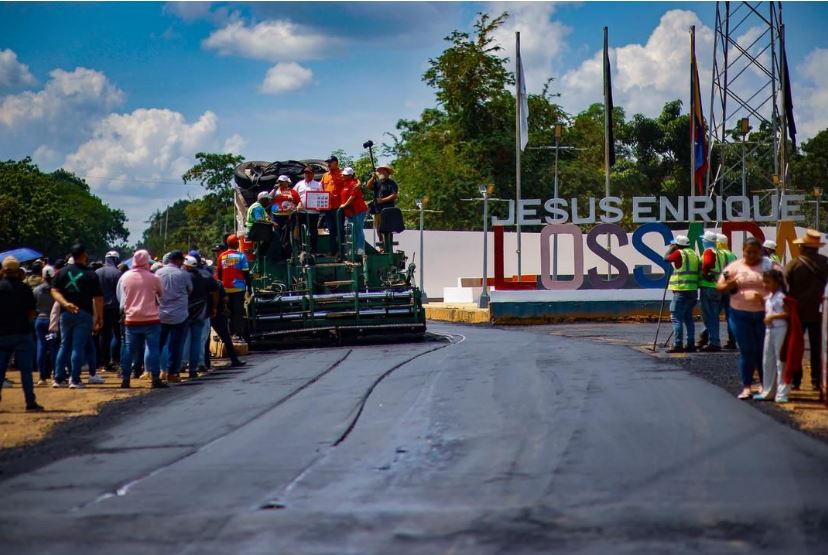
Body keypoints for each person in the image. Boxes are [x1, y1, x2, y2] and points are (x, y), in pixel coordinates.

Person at [717, 237, 781, 399]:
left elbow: (783, 284)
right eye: (748, 252)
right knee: (746, 351)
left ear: (760, 251)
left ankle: (764, 385)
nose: (751, 256)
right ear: (743, 252)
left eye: (755, 252)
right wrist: (729, 285)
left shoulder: (769, 266)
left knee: (762, 350)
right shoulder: (735, 267)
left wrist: (768, 296)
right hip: (739, 314)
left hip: (764, 314)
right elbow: (719, 286)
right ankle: (747, 386)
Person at [52, 244, 103, 388]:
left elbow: (54, 291)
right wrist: (100, 318)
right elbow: (98, 299)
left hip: (66, 313)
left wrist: (65, 303)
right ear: (84, 255)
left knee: (64, 346)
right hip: (84, 313)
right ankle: (74, 379)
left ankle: (58, 378)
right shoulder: (90, 274)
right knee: (78, 347)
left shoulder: (61, 273)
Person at [784, 229, 828, 392]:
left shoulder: (794, 264)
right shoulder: (825, 263)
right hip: (820, 313)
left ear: (803, 247)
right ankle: (817, 380)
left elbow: (783, 286)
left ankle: (796, 380)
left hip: (797, 313)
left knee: (796, 347)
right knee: (818, 348)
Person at [117, 249, 167, 389]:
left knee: (128, 350)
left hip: (131, 319)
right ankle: (155, 378)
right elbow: (161, 294)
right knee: (153, 349)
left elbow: (122, 295)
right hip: (151, 319)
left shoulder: (125, 277)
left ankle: (125, 379)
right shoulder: (154, 278)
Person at [0, 256, 43, 411]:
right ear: (18, 271)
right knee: (26, 371)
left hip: (2, 334)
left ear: (3, 270)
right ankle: (30, 402)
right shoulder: (24, 288)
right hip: (22, 333)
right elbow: (32, 312)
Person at [754, 269, 793, 403]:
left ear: (777, 282)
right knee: (767, 360)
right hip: (769, 330)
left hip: (780, 329)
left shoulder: (781, 297)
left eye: (768, 282)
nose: (765, 285)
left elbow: (788, 313)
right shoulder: (771, 297)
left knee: (780, 360)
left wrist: (773, 317)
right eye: (764, 282)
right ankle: (768, 391)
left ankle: (782, 393)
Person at [156, 250, 192, 382]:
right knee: (175, 345)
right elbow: (190, 290)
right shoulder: (184, 274)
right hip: (179, 314)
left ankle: (158, 372)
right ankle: (171, 373)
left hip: (161, 313)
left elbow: (155, 291)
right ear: (178, 260)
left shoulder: (158, 273)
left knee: (159, 344)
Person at [182, 255, 217, 378]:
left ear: (186, 266)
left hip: (186, 311)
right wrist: (214, 307)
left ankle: (183, 363)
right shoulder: (206, 276)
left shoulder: (183, 276)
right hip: (201, 311)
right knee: (199, 339)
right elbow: (215, 290)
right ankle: (197, 365)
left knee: (186, 338)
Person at [664, 235, 699, 354]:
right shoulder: (693, 254)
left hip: (681, 290)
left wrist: (671, 248)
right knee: (688, 317)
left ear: (677, 245)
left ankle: (678, 344)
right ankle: (690, 343)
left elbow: (666, 258)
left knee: (676, 317)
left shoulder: (679, 253)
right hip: (692, 290)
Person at [215, 235, 250, 339]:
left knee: (227, 312)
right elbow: (246, 274)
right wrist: (249, 288)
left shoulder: (222, 256)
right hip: (238, 289)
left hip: (225, 289)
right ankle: (237, 334)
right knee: (238, 312)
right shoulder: (241, 256)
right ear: (236, 244)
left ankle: (228, 334)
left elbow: (219, 274)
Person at [208, 280, 246, 368]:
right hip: (217, 314)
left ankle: (205, 363)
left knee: (205, 340)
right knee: (226, 338)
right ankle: (234, 359)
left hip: (203, 313)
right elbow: (225, 298)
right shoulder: (217, 283)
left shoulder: (193, 280)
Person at [696, 231, 724, 352]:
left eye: (703, 240)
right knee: (714, 316)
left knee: (709, 316)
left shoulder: (709, 251)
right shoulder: (720, 253)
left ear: (707, 241)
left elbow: (707, 263)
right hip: (717, 286)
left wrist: (705, 273)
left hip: (708, 286)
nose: (702, 241)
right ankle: (713, 340)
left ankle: (714, 342)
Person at [96, 250, 122, 372]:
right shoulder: (117, 273)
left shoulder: (97, 272)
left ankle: (104, 362)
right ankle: (115, 360)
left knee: (103, 335)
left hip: (100, 306)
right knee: (117, 334)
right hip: (114, 307)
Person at [33, 266, 59, 385]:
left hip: (40, 320)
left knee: (41, 346)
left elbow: (33, 306)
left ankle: (42, 377)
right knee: (53, 347)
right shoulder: (56, 290)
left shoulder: (36, 290)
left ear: (43, 276)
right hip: (52, 322)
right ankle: (55, 374)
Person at [339, 166, 369, 256]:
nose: (343, 176)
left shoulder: (354, 184)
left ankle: (360, 249)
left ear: (350, 176)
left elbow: (353, 197)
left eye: (345, 175)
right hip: (349, 212)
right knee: (353, 231)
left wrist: (345, 205)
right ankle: (353, 250)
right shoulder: (345, 183)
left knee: (358, 229)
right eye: (343, 174)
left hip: (358, 211)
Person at [270, 175, 301, 260]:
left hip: (289, 216)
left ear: (287, 182)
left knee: (288, 236)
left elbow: (299, 202)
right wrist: (274, 189)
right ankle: (278, 255)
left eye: (282, 181)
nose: (280, 183)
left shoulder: (293, 192)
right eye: (279, 181)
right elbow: (268, 199)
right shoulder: (275, 191)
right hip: (276, 216)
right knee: (277, 235)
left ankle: (288, 254)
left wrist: (298, 207)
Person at [294, 166, 324, 253]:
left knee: (313, 231)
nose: (307, 174)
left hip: (313, 212)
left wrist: (320, 206)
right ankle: (301, 249)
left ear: (313, 174)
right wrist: (297, 205)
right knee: (300, 231)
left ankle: (313, 250)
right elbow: (293, 195)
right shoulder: (299, 184)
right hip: (301, 212)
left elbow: (322, 197)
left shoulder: (318, 184)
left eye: (309, 173)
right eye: (306, 173)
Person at [367, 164, 399, 248]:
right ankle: (382, 247)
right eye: (380, 171)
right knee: (378, 229)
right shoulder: (377, 182)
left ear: (388, 173)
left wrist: (383, 200)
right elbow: (368, 186)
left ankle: (388, 247)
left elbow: (394, 195)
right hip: (377, 210)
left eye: (384, 171)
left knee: (387, 229)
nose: (382, 172)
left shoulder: (392, 183)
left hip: (387, 211)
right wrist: (372, 178)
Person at [321, 155, 346, 257]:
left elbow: (352, 183)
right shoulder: (325, 175)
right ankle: (333, 251)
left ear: (336, 163)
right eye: (327, 162)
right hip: (328, 207)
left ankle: (341, 251)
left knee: (340, 229)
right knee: (331, 230)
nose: (328, 164)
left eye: (330, 162)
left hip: (339, 207)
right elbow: (320, 189)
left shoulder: (342, 174)